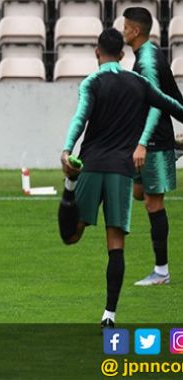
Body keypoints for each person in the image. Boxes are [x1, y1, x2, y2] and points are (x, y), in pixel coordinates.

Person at [57, 28, 183, 328]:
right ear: (123, 55)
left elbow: (80, 117)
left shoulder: (92, 82)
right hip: (121, 172)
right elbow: (172, 106)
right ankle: (109, 314)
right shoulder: (138, 83)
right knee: (115, 243)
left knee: (70, 236)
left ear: (97, 52)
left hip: (91, 166)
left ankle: (69, 184)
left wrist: (66, 149)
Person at [123, 7, 182, 286]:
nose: (123, 31)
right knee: (137, 193)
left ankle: (161, 272)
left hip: (155, 139)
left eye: (125, 27)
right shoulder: (148, 54)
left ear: (135, 31)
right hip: (147, 138)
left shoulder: (147, 62)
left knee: (152, 203)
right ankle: (177, 149)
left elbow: (158, 104)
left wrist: (144, 143)